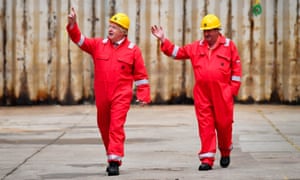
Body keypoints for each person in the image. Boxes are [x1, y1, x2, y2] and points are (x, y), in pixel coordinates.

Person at [151, 14, 242, 171]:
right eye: (204, 31)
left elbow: (236, 69)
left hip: (222, 95)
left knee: (224, 125)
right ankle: (207, 159)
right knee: (205, 126)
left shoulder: (229, 46)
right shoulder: (196, 47)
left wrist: (232, 90)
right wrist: (163, 40)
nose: (206, 34)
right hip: (203, 95)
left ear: (217, 31)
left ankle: (225, 150)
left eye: (210, 31)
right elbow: (177, 52)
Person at [67, 8, 151, 176]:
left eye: (115, 27)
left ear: (124, 32)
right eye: (110, 26)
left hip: (121, 95)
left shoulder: (133, 50)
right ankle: (112, 155)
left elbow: (141, 75)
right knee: (104, 127)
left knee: (116, 127)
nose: (110, 29)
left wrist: (143, 94)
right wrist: (73, 24)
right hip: (102, 96)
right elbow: (79, 40)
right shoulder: (98, 45)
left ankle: (114, 161)